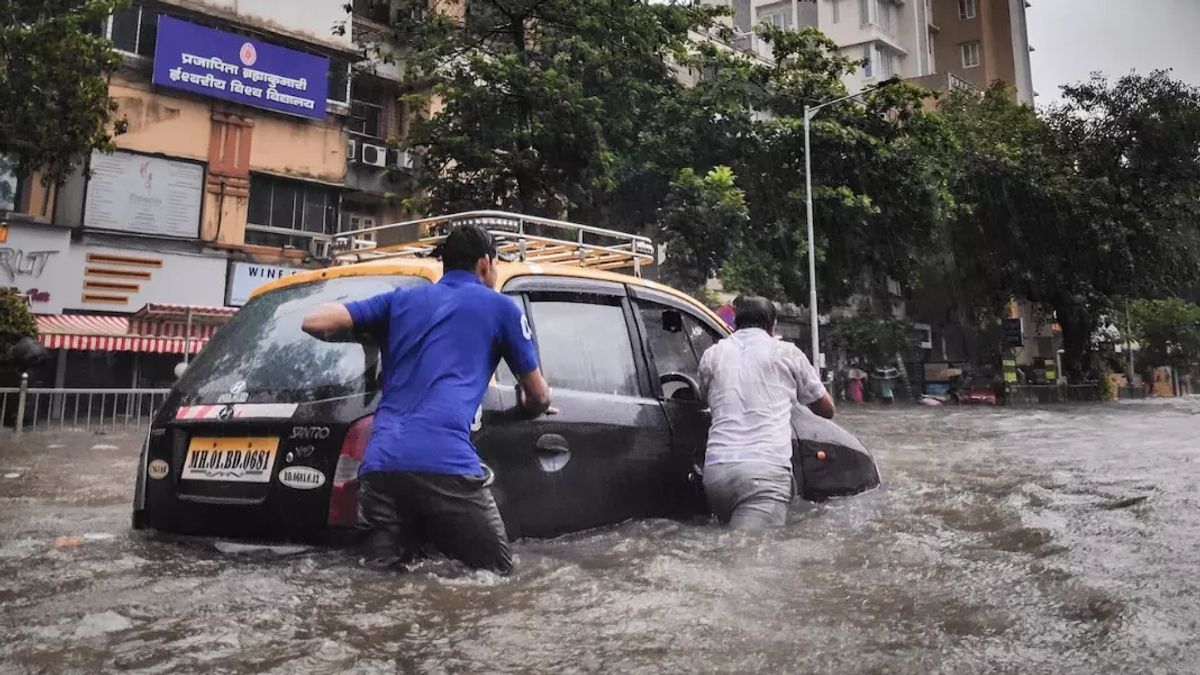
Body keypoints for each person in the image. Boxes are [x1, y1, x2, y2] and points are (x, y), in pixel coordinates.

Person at [301, 225, 553, 574]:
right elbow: (538, 394)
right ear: (485, 264)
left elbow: (314, 321)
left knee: (380, 580)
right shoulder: (501, 309)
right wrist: (530, 408)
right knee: (497, 578)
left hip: (381, 468)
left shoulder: (399, 300)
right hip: (447, 465)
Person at [698, 296, 835, 531]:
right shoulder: (786, 353)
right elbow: (826, 409)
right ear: (773, 327)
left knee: (729, 548)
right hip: (764, 475)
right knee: (752, 558)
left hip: (716, 473)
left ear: (735, 324)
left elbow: (702, 398)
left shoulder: (712, 355)